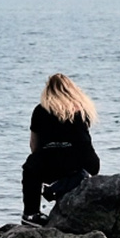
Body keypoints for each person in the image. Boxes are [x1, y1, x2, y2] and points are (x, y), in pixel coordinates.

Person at [21, 73, 101, 222]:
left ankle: (31, 214)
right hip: (75, 162)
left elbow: (34, 145)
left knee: (31, 166)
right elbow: (84, 143)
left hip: (48, 165)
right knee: (84, 172)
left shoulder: (40, 110)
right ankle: (62, 193)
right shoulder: (80, 111)